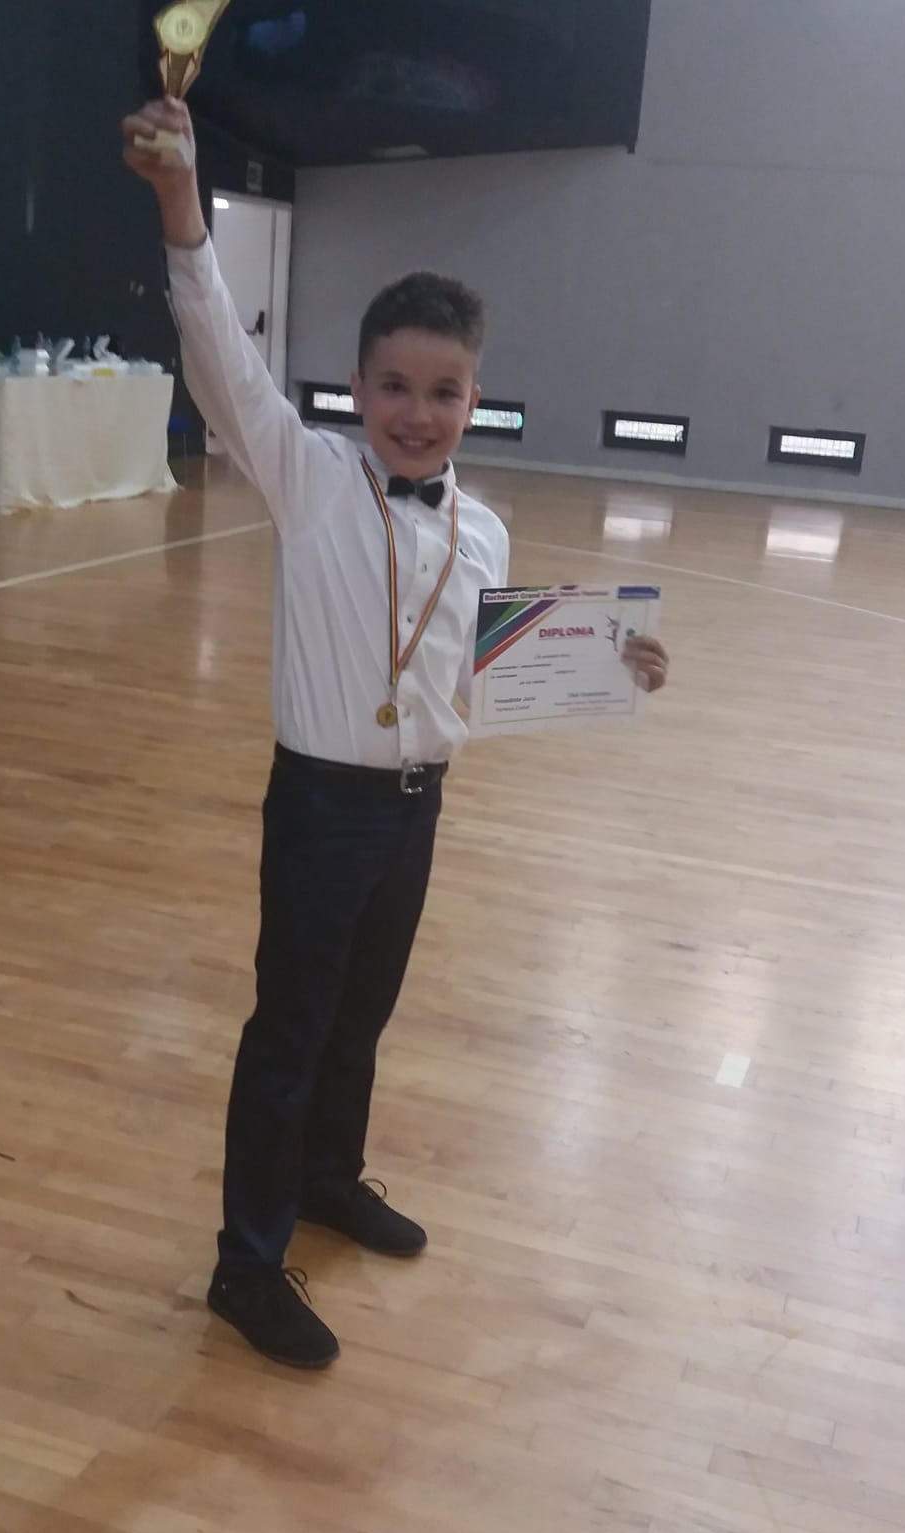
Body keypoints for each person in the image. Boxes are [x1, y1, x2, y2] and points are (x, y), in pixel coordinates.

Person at [123, 97, 670, 1370]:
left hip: (421, 803)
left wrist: (620, 661)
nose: (416, 413)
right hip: (321, 806)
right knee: (290, 1028)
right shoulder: (307, 476)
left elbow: (483, 664)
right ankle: (244, 1264)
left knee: (363, 1015)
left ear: (475, 397)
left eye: (443, 392)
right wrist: (180, 199)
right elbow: (217, 345)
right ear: (357, 386)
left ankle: (328, 1176)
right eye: (393, 387)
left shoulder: (481, 530)